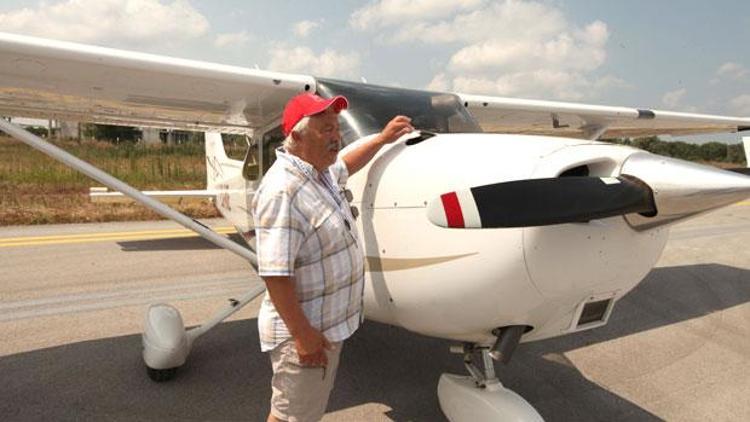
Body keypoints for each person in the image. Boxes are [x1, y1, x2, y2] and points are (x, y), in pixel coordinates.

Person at [252, 92, 414, 422]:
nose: (336, 136)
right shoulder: (283, 191)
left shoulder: (319, 171)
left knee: (305, 411)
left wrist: (382, 139)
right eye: (325, 129)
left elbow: (347, 163)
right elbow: (275, 274)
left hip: (325, 330)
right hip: (308, 334)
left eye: (337, 128)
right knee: (291, 417)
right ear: (296, 135)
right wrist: (303, 336)